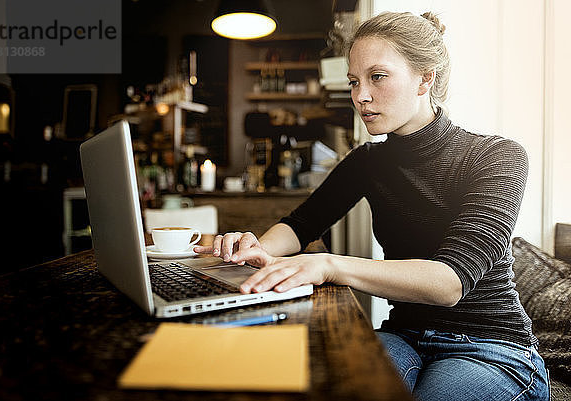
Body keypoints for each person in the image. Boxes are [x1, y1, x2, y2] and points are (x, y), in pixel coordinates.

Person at [194, 11, 549, 401]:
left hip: (491, 348)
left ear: (424, 78)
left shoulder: (497, 156)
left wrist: (329, 265)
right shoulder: (367, 161)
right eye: (354, 81)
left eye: (377, 77)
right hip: (404, 335)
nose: (360, 96)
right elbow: (300, 225)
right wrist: (256, 247)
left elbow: (449, 283)